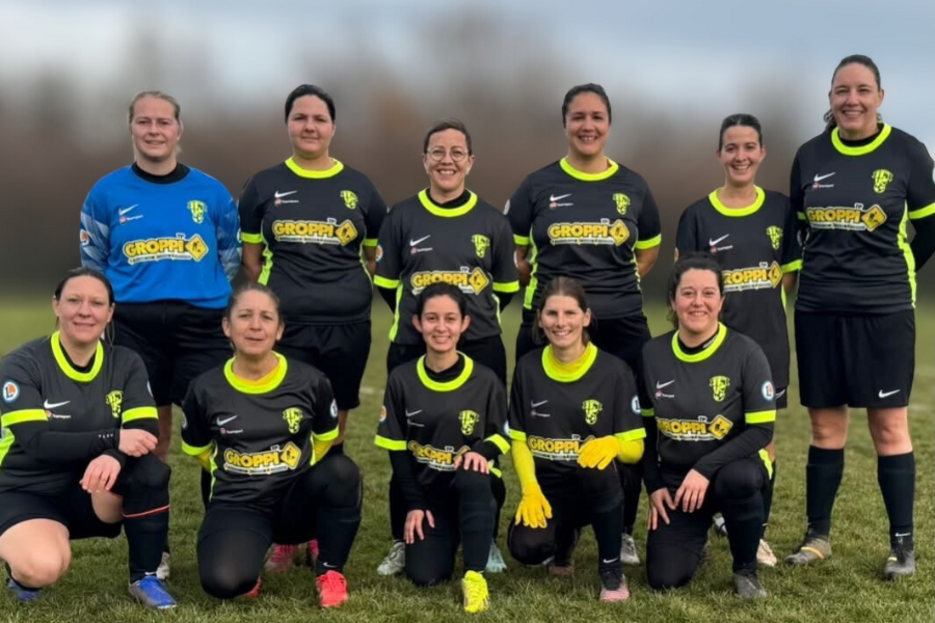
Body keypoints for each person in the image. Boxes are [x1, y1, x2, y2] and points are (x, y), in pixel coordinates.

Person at [784, 55, 935, 580]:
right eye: (842, 90)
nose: (852, 99)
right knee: (825, 426)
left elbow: (929, 229)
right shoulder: (809, 155)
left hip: (883, 310)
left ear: (879, 97)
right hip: (818, 309)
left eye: (863, 90)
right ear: (830, 98)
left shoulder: (908, 152)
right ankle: (817, 537)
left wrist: (897, 269)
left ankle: (902, 546)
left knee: (888, 426)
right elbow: (797, 231)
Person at [80, 91, 241, 576]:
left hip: (202, 326)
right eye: (144, 121)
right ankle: (157, 548)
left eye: (163, 122)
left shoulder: (211, 192)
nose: (154, 130)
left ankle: (225, 537)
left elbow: (229, 257)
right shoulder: (105, 193)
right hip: (134, 328)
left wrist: (193, 292)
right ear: (131, 127)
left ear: (178, 129)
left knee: (219, 431)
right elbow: (94, 263)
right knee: (148, 435)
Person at [507, 83, 662, 564]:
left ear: (609, 124)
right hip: (549, 325)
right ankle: (561, 520)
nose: (587, 126)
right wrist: (557, 303)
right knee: (545, 421)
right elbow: (517, 256)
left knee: (629, 427)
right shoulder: (537, 186)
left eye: (597, 117)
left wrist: (610, 290)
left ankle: (624, 527)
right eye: (578, 117)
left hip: (621, 323)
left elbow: (648, 251)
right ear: (565, 123)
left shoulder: (634, 186)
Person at [374, 119, 518, 575]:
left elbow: (506, 288)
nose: (447, 160)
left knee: (484, 443)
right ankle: (403, 537)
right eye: (438, 151)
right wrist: (426, 326)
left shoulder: (493, 221)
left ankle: (483, 536)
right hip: (412, 345)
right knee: (409, 443)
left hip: (480, 344)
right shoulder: (401, 216)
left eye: (457, 152)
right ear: (425, 160)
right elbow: (386, 284)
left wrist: (464, 325)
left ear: (470, 161)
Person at [0, 268, 175, 608]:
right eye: (74, 300)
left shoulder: (126, 362)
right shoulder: (22, 364)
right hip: (28, 489)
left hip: (93, 489)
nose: (85, 311)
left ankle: (145, 577)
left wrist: (114, 455)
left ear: (110, 312)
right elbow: (37, 442)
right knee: (42, 567)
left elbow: (144, 431)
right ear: (56, 306)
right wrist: (112, 439)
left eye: (96, 303)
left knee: (149, 471)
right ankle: (22, 566)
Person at [181, 283, 362, 607]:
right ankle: (247, 557)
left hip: (294, 500)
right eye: (245, 316)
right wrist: (246, 473)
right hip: (240, 503)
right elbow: (199, 450)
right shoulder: (204, 388)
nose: (255, 325)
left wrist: (291, 470)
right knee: (223, 582)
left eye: (266, 317)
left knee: (342, 472)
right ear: (227, 326)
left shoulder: (310, 381)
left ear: (279, 330)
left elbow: (325, 437)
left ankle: (330, 570)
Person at [675, 113, 802, 566]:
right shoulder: (697, 216)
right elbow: (688, 286)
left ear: (762, 152)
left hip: (767, 348)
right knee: (704, 434)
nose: (740, 155)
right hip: (712, 351)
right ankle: (702, 521)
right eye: (732, 147)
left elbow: (788, 278)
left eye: (749, 147)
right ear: (720, 154)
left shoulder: (781, 210)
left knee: (762, 441)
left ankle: (754, 531)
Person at [640, 253, 775, 599]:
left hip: (731, 469)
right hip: (678, 481)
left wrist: (704, 468)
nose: (697, 302)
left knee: (738, 479)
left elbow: (762, 431)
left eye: (708, 293)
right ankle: (695, 540)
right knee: (663, 579)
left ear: (721, 301)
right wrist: (655, 484)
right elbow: (645, 429)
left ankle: (745, 569)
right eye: (687, 293)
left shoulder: (747, 353)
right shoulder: (652, 354)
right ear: (673, 301)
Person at [506, 277, 645, 603]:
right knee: (526, 548)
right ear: (540, 319)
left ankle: (611, 570)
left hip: (598, 484)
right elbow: (519, 440)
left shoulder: (615, 371)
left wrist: (613, 444)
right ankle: (564, 538)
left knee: (595, 464)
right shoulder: (527, 368)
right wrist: (530, 489)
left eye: (570, 313)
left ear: (586, 317)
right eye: (552, 313)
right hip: (550, 487)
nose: (561, 322)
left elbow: (636, 447)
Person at [375, 283, 509, 614]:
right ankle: (447, 536)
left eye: (450, 319)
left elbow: (503, 436)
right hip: (428, 494)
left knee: (472, 472)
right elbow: (397, 450)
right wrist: (415, 504)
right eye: (432, 318)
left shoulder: (486, 380)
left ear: (464, 323)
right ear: (417, 323)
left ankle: (475, 574)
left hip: (473, 486)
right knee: (426, 576)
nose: (441, 327)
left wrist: (480, 452)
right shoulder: (402, 378)